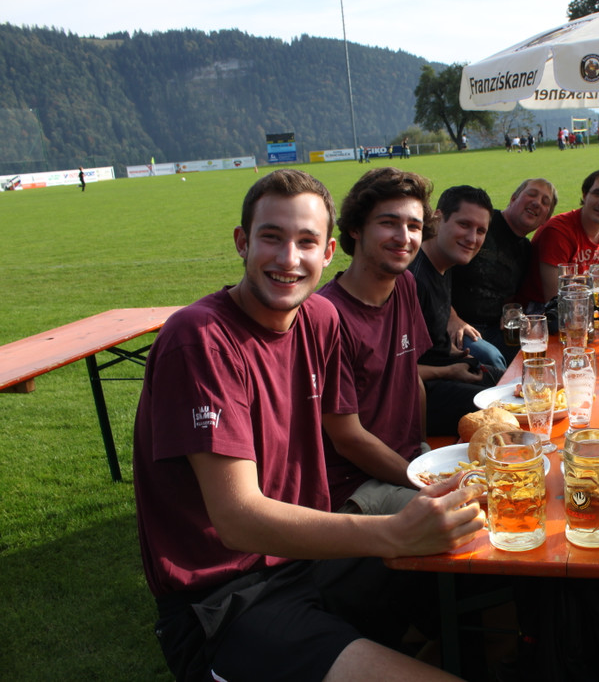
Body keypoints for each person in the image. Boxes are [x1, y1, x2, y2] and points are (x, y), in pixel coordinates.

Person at [133, 168, 483, 682]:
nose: (288, 258)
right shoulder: (200, 339)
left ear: (328, 251)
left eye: (306, 242)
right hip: (230, 597)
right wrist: (392, 532)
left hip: (311, 561)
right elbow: (237, 520)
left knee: (490, 570)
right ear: (242, 242)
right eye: (271, 237)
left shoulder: (319, 319)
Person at [315, 166, 436, 513]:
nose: (404, 237)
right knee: (474, 519)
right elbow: (347, 438)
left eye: (414, 226)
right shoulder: (327, 317)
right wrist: (421, 481)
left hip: (407, 462)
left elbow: (412, 379)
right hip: (356, 486)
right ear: (356, 228)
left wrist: (422, 451)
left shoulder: (405, 285)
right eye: (388, 223)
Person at [410, 185, 501, 435]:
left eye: (480, 231)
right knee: (507, 410)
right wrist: (450, 370)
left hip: (449, 371)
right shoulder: (412, 281)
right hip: (422, 395)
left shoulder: (444, 263)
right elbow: (396, 372)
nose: (472, 238)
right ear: (437, 219)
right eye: (464, 225)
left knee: (525, 385)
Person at [450, 178, 558, 365]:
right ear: (513, 198)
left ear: (545, 219)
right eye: (531, 194)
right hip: (456, 325)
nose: (536, 203)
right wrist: (450, 318)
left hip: (495, 329)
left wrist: (511, 313)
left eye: (544, 202)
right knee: (492, 359)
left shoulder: (526, 250)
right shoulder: (482, 224)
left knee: (540, 351)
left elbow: (511, 295)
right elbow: (437, 273)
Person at [520, 168, 599, 306]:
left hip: (586, 306)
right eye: (597, 194)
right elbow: (555, 300)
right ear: (585, 195)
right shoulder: (558, 231)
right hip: (540, 309)